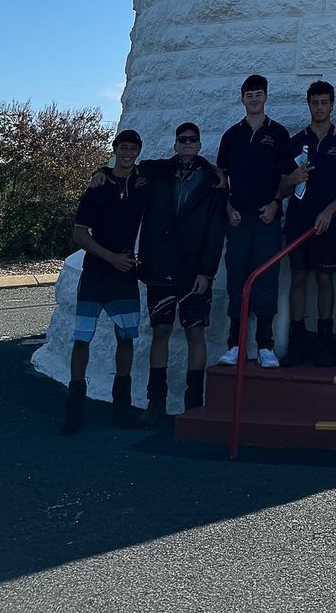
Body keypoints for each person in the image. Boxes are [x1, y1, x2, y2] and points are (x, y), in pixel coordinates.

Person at [61, 128, 150, 435]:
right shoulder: (97, 187)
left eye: (133, 148)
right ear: (115, 149)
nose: (128, 153)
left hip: (124, 271)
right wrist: (111, 257)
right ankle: (74, 409)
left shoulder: (143, 183)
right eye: (123, 147)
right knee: (82, 337)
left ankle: (121, 409)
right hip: (97, 271)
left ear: (139, 151)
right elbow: (79, 234)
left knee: (126, 337)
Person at [136, 122, 227, 421]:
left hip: (193, 268)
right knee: (160, 330)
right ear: (175, 144)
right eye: (182, 139)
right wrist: (101, 171)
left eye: (192, 140)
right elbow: (124, 167)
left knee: (195, 331)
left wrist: (207, 271)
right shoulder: (156, 171)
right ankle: (156, 400)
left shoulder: (212, 181)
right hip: (160, 265)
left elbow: (216, 230)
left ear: (199, 145)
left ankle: (194, 402)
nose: (187, 144)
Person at [215, 74, 296, 369]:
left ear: (266, 97)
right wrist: (227, 208)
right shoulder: (231, 135)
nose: (254, 99)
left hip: (267, 220)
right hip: (238, 221)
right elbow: (220, 177)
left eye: (258, 94)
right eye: (249, 95)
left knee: (266, 280)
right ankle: (235, 344)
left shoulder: (279, 134)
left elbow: (287, 178)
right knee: (236, 279)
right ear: (242, 98)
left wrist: (276, 203)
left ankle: (265, 345)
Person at [283, 81, 336, 367]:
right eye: (315, 103)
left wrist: (329, 212)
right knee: (299, 278)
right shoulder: (294, 142)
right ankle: (297, 341)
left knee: (325, 279)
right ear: (309, 104)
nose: (320, 107)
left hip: (330, 223)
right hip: (298, 221)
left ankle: (325, 341)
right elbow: (281, 188)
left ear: (332, 104)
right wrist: (291, 180)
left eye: (325, 102)